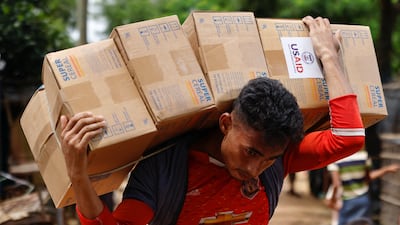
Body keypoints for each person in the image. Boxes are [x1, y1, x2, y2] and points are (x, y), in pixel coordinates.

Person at [59, 16, 365, 225]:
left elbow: (348, 138)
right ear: (226, 123)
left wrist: (328, 57)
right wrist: (77, 175)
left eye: (269, 160)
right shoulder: (163, 171)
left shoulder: (280, 157)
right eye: (251, 152)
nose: (253, 170)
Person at [326, 148, 400, 225]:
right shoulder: (364, 156)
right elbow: (368, 178)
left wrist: (332, 200)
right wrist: (386, 170)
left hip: (347, 201)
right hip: (363, 200)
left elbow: (336, 184)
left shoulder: (335, 159)